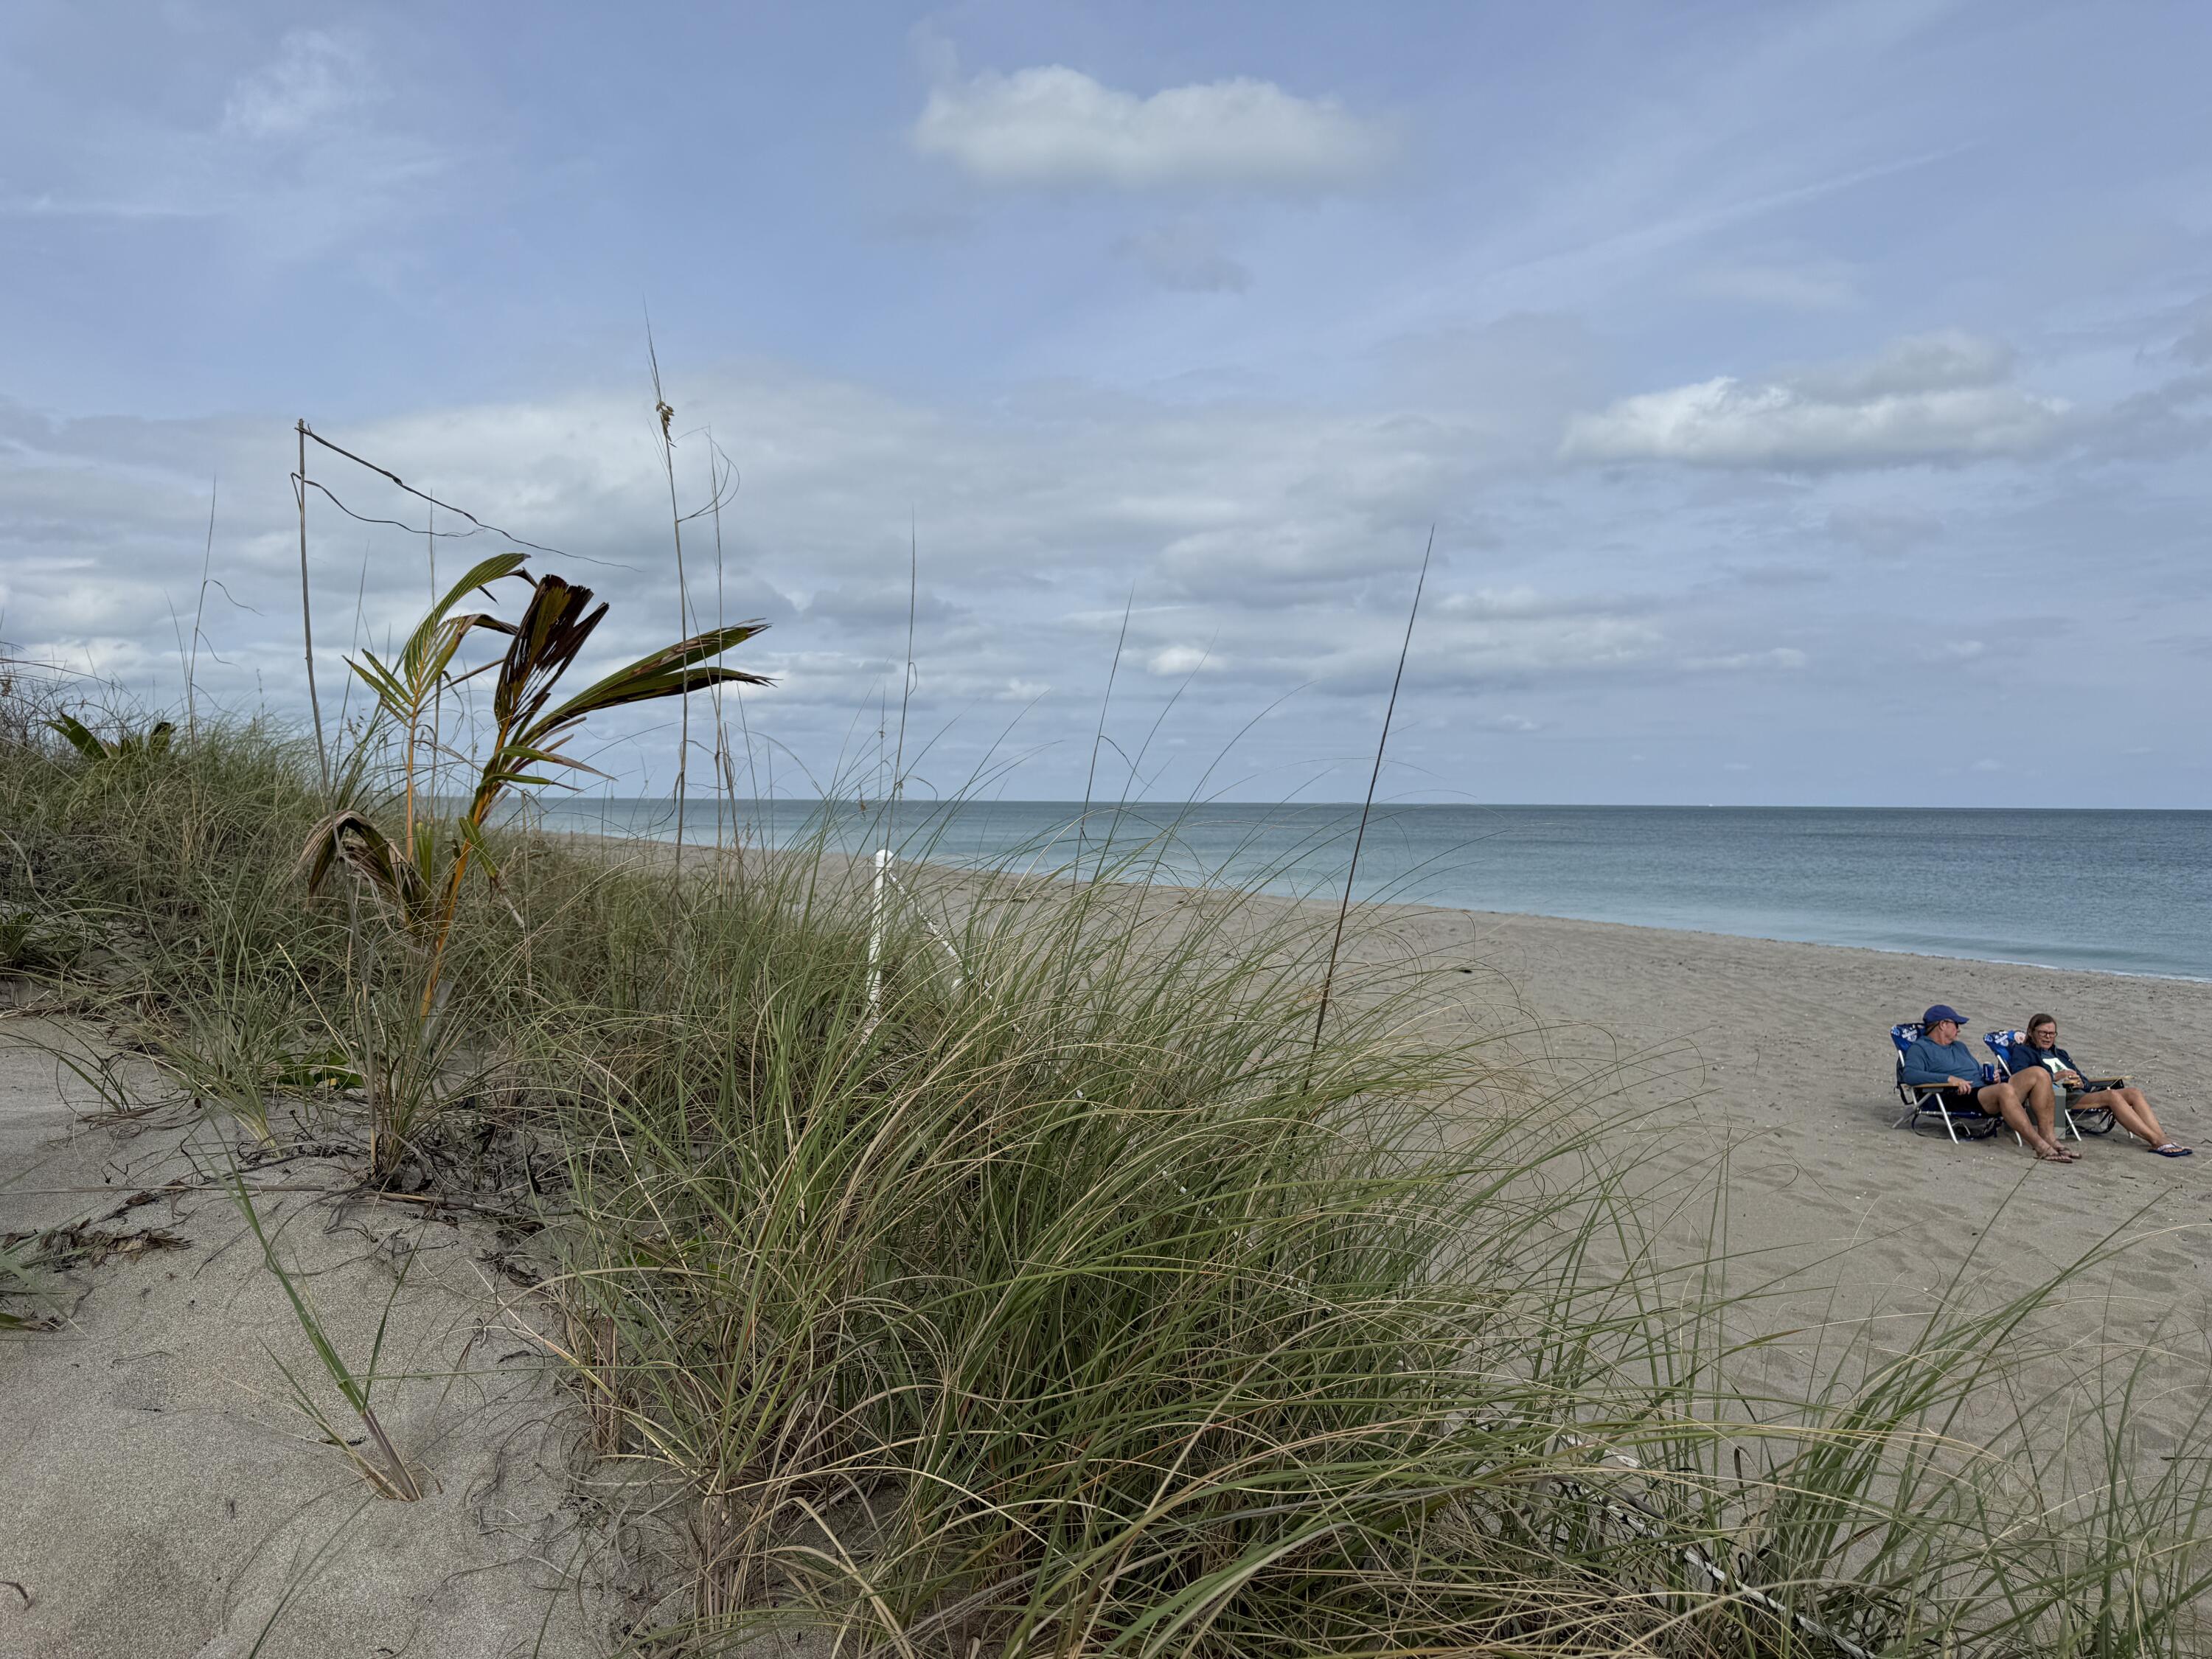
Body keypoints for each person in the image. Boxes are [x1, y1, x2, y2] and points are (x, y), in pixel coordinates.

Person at [1900, 1004, 2074, 1161]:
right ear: (1943, 1024)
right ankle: (2040, 1146)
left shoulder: (1960, 1047)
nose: (1959, 1030)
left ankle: (2049, 1137)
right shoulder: (1920, 1048)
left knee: (2040, 1074)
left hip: (1983, 1091)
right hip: (1956, 1095)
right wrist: (1948, 1079)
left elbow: (1976, 1072)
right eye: (1957, 1024)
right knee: (2005, 1090)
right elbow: (1910, 1075)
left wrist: (1992, 1077)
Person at [2008, 1014, 2189, 1158]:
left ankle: (2162, 1138)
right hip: (2056, 1099)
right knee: (2111, 1096)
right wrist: (2056, 1076)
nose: (2048, 1037)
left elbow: (2086, 1082)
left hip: (2076, 1093)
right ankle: (2155, 1141)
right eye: (2043, 1033)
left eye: (2052, 1034)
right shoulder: (2023, 1052)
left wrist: (2080, 1082)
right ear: (2031, 1033)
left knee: (2133, 1092)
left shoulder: (2061, 1054)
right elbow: (2022, 1076)